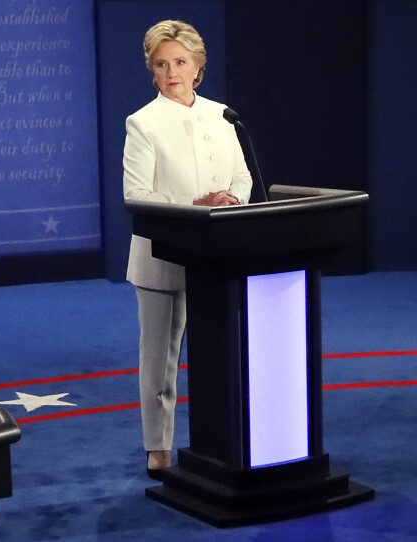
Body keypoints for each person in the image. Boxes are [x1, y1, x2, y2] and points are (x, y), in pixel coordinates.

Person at [122, 20, 253, 473]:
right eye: (161, 64)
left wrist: (231, 198)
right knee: (160, 364)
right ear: (152, 71)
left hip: (217, 257)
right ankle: (158, 452)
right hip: (162, 256)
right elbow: (137, 194)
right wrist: (194, 204)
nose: (171, 72)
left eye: (180, 62)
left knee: (220, 357)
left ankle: (224, 444)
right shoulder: (143, 123)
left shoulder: (222, 115)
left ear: (198, 66)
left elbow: (242, 175)